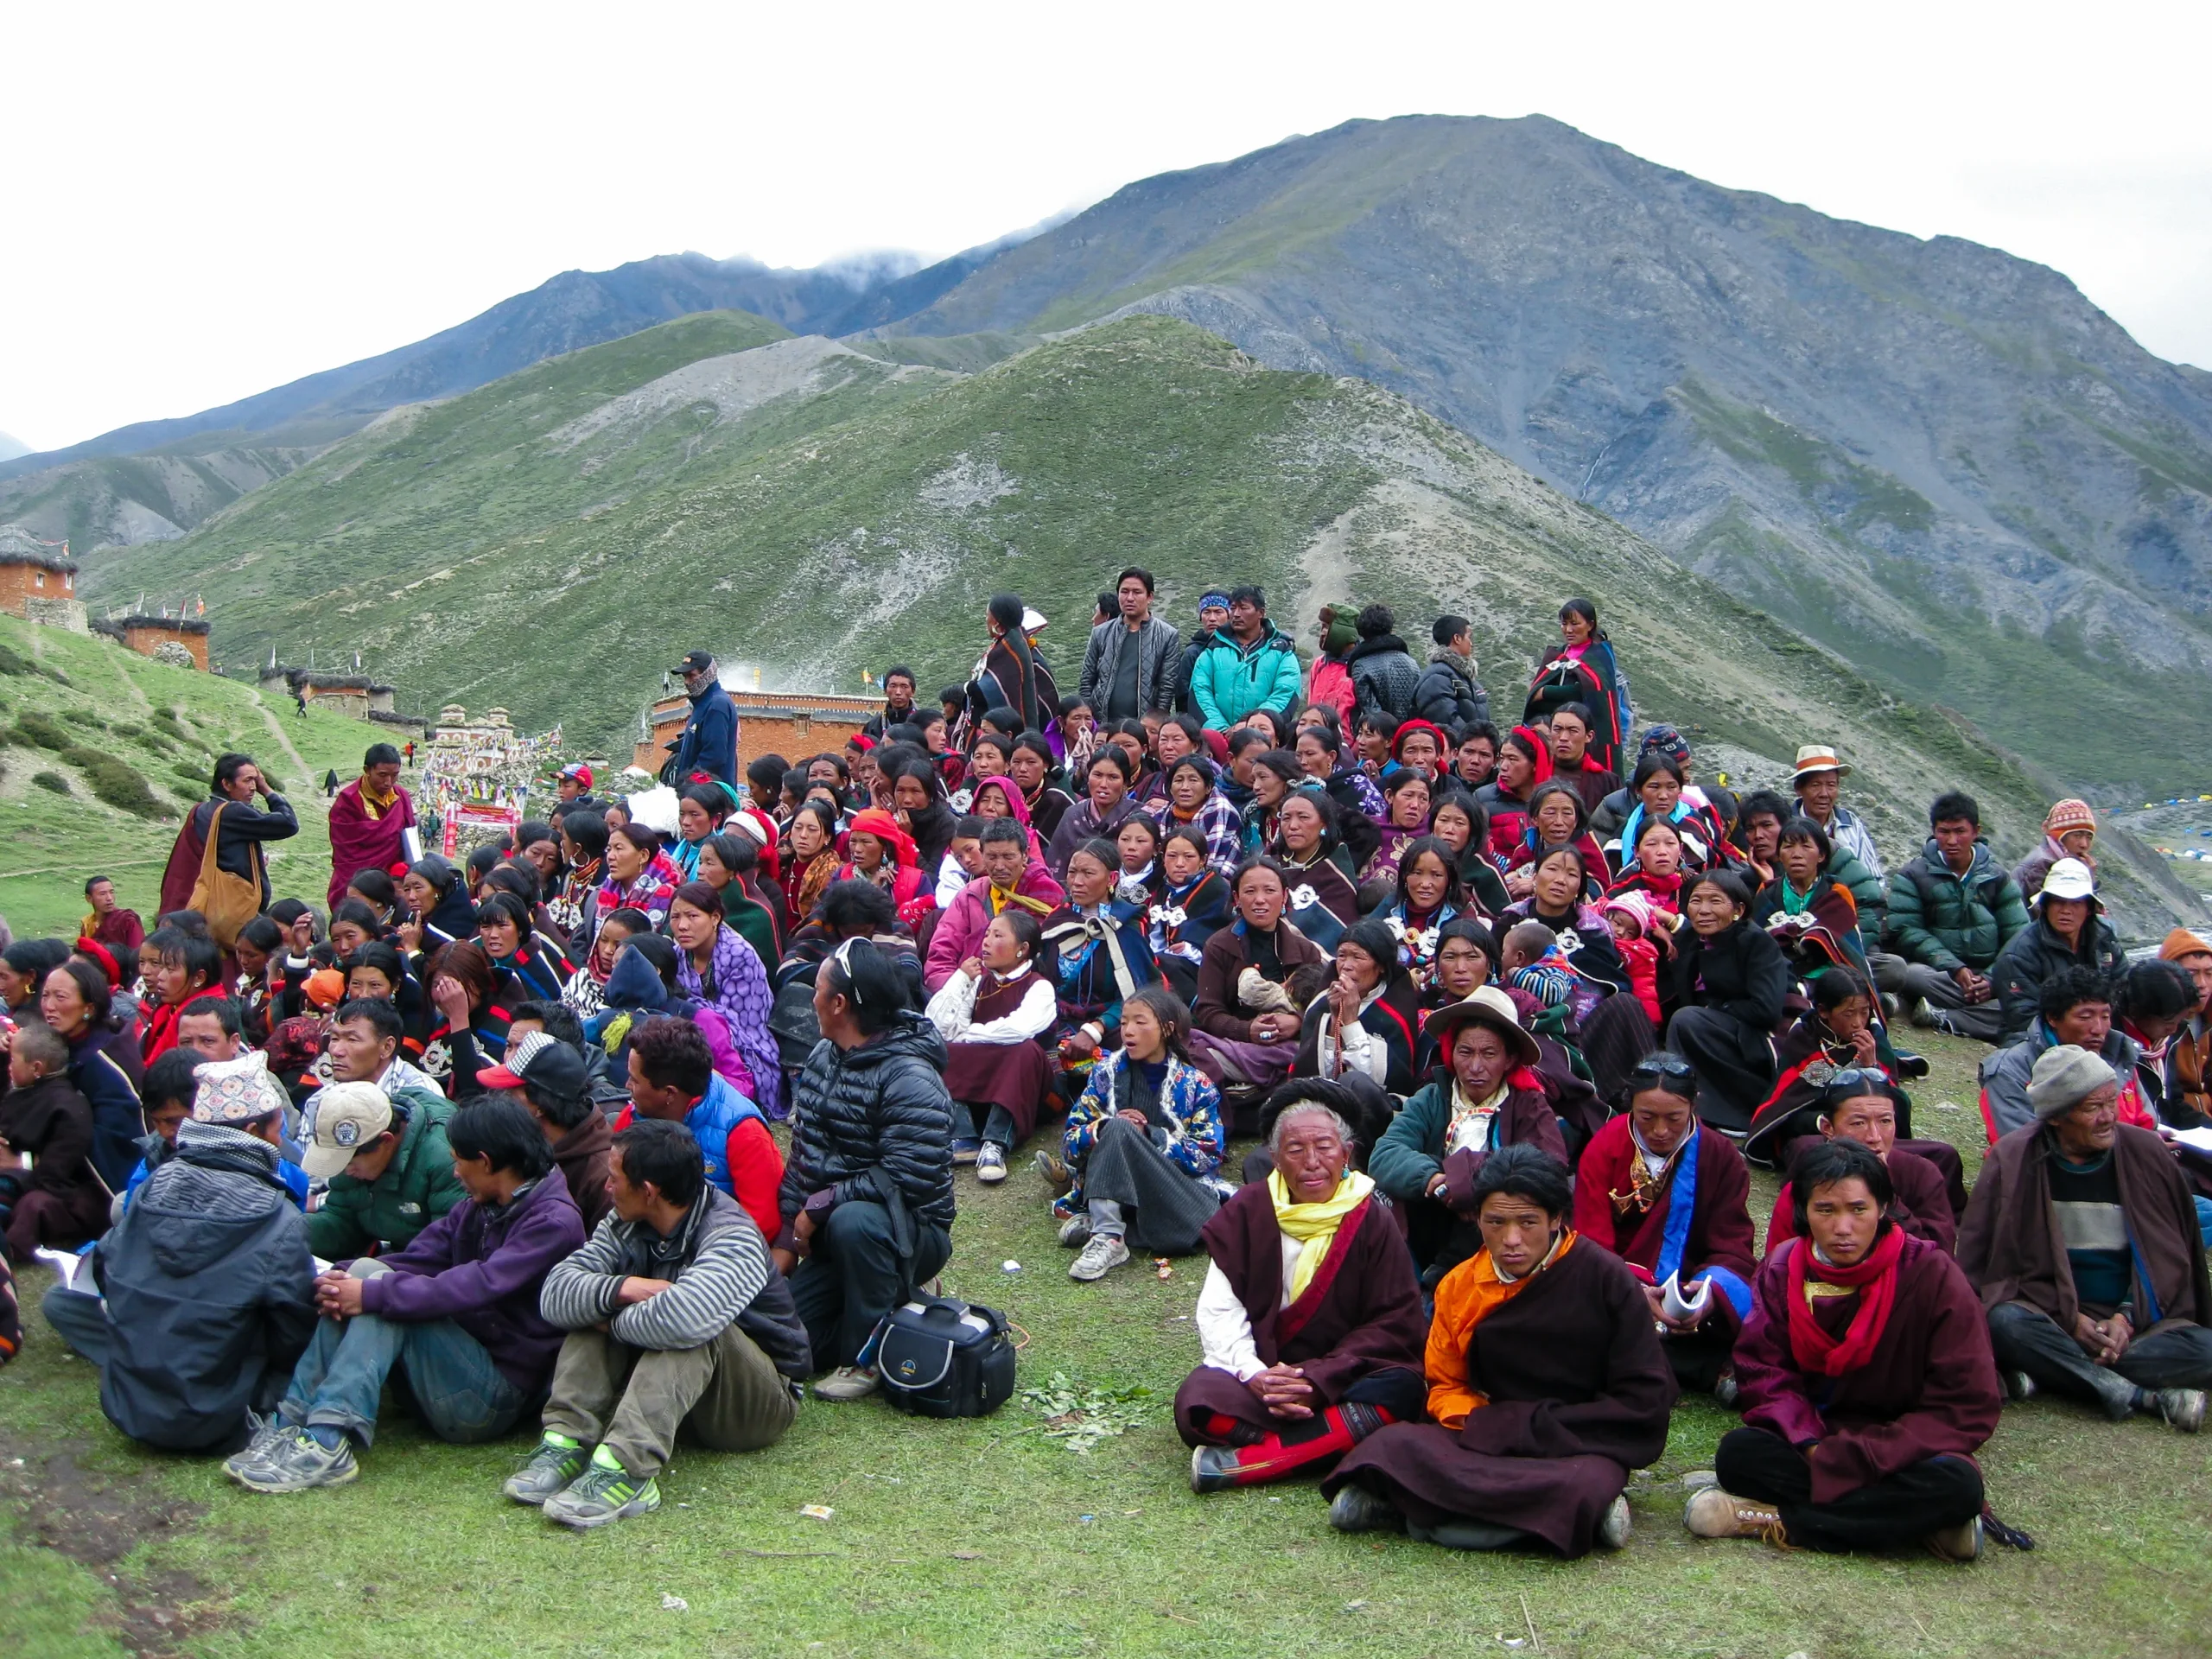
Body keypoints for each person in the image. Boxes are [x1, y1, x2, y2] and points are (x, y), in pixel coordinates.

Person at [223, 1096, 587, 1493]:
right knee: (366, 1273)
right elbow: (420, 1256)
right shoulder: (483, 1205)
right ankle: (292, 1424)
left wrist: (370, 1295)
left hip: (493, 1398)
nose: (455, 1171)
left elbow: (479, 1285)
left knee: (381, 1296)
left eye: (459, 1160)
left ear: (484, 1162)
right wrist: (340, 1280)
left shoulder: (554, 1222)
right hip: (456, 1370)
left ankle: (328, 1438)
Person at [1324, 1146, 1670, 1555]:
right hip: (1484, 1436)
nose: (1511, 1241)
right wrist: (1485, 1423)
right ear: (1478, 1221)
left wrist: (1525, 1426)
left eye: (1528, 1223)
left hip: (1571, 1439)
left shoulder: (1607, 1278)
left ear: (1557, 1218)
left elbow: (1642, 1401)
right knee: (1392, 1445)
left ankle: (1413, 1510)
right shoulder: (1460, 1286)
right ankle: (1543, 1520)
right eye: (1495, 1222)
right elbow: (1443, 1384)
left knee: (1583, 1480)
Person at [1692, 1139, 1999, 1559]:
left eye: (1858, 1209)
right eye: (1825, 1210)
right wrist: (1811, 1442)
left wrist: (1870, 1453)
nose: (1843, 1227)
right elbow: (1765, 1373)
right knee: (1739, 1455)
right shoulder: (1783, 1269)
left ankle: (1778, 1520)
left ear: (1883, 1208)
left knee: (1957, 1487)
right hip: (1816, 1437)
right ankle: (1919, 1529)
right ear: (1803, 1210)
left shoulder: (1932, 1274)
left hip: (1904, 1445)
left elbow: (1965, 1402)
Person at [511, 1119, 810, 1529]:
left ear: (648, 1191)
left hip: (756, 1403)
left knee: (695, 1328)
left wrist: (612, 1323)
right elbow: (556, 1294)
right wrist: (623, 1288)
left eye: (615, 1179)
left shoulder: (731, 1236)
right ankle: (565, 1441)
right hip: (677, 1398)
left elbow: (689, 1319)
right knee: (597, 1301)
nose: (606, 1188)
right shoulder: (623, 1223)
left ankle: (626, 1468)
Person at [1959, 1045, 2211, 1432]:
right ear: (2057, 1117)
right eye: (2093, 1108)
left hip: (2139, 1324)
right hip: (2051, 1319)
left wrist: (2124, 1320)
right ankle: (2140, 1396)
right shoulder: (2013, 1160)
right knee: (2003, 1323)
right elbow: (1994, 1268)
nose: (2108, 1117)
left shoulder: (2147, 1154)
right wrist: (2070, 1318)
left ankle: (2050, 1372)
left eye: (2112, 1102)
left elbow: (2170, 1258)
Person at [1179, 1100, 1427, 1491]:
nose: (1312, 1161)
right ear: (1276, 1158)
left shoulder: (1371, 1216)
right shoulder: (1249, 1210)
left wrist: (1317, 1379)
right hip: (1268, 1378)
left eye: (1325, 1147)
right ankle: (1330, 1442)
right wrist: (1256, 1374)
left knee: (1401, 1390)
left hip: (1346, 1375)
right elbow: (1220, 1310)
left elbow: (1394, 1322)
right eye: (1296, 1149)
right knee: (1199, 1399)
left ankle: (1248, 1463)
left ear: (1346, 1153)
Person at [76, 1051, 316, 1452]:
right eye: (278, 1128)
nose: (281, 1138)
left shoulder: (155, 1185)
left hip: (127, 1405)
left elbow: (106, 1267)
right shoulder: (278, 1215)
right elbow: (294, 1333)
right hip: (220, 1417)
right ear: (255, 1131)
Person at [777, 938, 956, 1401]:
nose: (809, 996)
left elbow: (905, 1175)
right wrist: (785, 1236)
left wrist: (820, 1206)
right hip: (834, 1232)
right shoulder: (823, 1054)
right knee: (794, 1345)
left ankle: (867, 1357)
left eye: (816, 988)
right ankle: (901, 1299)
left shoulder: (909, 1077)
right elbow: (805, 1153)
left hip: (904, 1229)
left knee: (856, 1220)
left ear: (839, 1003)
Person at [1575, 1055, 1757, 1395]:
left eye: (1674, 1118)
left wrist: (1706, 1297)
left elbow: (1732, 1243)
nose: (1660, 1131)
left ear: (1693, 1105)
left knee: (1749, 1305)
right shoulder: (1606, 1147)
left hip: (1692, 1287)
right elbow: (1591, 1243)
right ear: (1631, 1107)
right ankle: (1708, 1367)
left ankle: (1654, 1360)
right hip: (1621, 1282)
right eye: (1647, 1117)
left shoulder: (1719, 1154)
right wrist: (1639, 1292)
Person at [1370, 988, 1568, 1280]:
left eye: (1489, 1053)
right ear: (1451, 1052)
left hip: (1503, 1238)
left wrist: (1469, 1185)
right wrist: (1437, 1180)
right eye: (1465, 1052)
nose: (1475, 1067)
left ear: (1509, 1059)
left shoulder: (1529, 1105)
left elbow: (1549, 1165)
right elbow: (1386, 1154)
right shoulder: (1433, 1098)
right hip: (1431, 1228)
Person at [1058, 985, 1225, 1281]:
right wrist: (1104, 1128)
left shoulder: (1197, 1084)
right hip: (1115, 1182)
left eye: (1139, 1022)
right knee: (1116, 1127)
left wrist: (1149, 1135)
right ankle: (1108, 1236)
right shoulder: (1104, 1073)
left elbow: (1207, 1157)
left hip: (1172, 1192)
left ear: (1166, 1028)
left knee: (1124, 1130)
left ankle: (1102, 1221)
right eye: (1123, 1023)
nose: (1128, 1031)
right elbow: (1070, 1143)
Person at [1875, 791, 2028, 1041]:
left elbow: (2019, 935)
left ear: (1976, 831)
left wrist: (1991, 979)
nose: (1952, 840)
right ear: (1934, 831)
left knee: (2028, 1000)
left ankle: (1945, 1016)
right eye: (1944, 832)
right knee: (1913, 976)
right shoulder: (1913, 875)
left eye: (1960, 831)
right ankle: (1980, 1016)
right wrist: (1955, 968)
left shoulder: (1998, 878)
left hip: (1991, 978)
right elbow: (1907, 930)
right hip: (1942, 976)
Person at [614, 1015, 784, 1238]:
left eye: (635, 1081)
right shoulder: (632, 1118)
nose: (627, 1086)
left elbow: (761, 1225)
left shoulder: (743, 1133)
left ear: (669, 1093)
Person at [1761, 1071, 1959, 1255]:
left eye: (1885, 1121)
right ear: (1827, 1128)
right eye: (1858, 1123)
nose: (1874, 1136)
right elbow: (1779, 1260)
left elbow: (1938, 1257)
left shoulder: (1921, 1174)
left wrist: (1886, 1194)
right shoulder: (1808, 1179)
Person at [925, 909, 1056, 1183]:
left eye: (997, 935)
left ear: (1022, 949)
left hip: (1023, 1088)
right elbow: (937, 1026)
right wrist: (960, 979)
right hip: (979, 1079)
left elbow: (1019, 1028)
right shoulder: (978, 982)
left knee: (1025, 1050)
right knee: (939, 1049)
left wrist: (967, 1034)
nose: (986, 942)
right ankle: (963, 1135)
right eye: (986, 934)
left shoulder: (1039, 987)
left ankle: (995, 1144)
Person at [1189, 859, 1328, 1111]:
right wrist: (1247, 1030)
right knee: (1196, 1054)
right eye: (1250, 891)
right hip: (1234, 1047)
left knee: (1319, 1055)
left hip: (1288, 1047)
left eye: (1270, 890)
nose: (1260, 899)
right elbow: (1208, 1011)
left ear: (1285, 896)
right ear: (1236, 898)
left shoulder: (1306, 951)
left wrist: (1297, 1022)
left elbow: (1320, 1009)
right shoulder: (1219, 946)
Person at [1662, 870, 1789, 1133]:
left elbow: (1766, 1008)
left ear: (1738, 910)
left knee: (1686, 1019)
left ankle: (1732, 1114)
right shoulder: (1691, 940)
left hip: (1756, 1038)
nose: (1703, 910)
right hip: (1714, 1028)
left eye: (1715, 901)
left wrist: (1716, 1010)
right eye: (1696, 901)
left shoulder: (1755, 942)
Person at [1979, 964, 2151, 1143]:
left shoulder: (2119, 1055)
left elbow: (2148, 1123)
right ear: (2053, 1018)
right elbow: (2017, 1148)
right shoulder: (2011, 1071)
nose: (2098, 1029)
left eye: (2105, 1017)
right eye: (2085, 1017)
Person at [302, 1078, 464, 1261]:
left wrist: (374, 1280)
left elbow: (446, 1250)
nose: (346, 1171)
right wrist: (291, 1232)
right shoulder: (357, 1158)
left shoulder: (444, 1161)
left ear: (386, 1141)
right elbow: (343, 1220)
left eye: (349, 1162)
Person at [666, 881, 782, 1118]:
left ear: (715, 918)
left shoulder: (740, 956)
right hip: (694, 1046)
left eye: (692, 916)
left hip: (745, 1053)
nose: (682, 926)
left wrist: (690, 1008)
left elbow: (739, 1027)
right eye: (675, 917)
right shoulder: (677, 956)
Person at [157, 753, 300, 938]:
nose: (253, 787)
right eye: (248, 780)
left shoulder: (201, 810)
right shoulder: (233, 812)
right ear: (226, 784)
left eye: (256, 781)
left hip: (202, 906)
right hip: (229, 914)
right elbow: (289, 824)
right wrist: (267, 790)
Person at [484, 1028, 614, 1230]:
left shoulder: (602, 1176)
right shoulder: (521, 1144)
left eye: (510, 1091)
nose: (502, 1099)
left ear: (540, 1107)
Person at [0, 1023, 106, 1260]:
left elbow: (57, 1170)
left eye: (12, 1060)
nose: (8, 1067)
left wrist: (20, 1163)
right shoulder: (25, 1087)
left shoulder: (68, 1107)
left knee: (30, 1205)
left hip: (30, 1184)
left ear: (36, 1067)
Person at [923, 817, 1064, 994]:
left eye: (1008, 857)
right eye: (991, 857)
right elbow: (942, 952)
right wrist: (952, 993)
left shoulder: (1045, 893)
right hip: (963, 991)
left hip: (1025, 993)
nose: (999, 866)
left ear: (1025, 854)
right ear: (982, 854)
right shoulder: (971, 894)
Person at [1989, 857, 2125, 1041]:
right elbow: (2023, 1017)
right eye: (2059, 902)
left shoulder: (2105, 939)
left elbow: (2123, 989)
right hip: (2040, 1039)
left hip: (2099, 1034)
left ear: (2089, 909)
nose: (2066, 911)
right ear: (2046, 906)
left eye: (2076, 903)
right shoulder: (2019, 953)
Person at [41, 958, 145, 1192]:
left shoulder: (105, 1060)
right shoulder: (63, 1045)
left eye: (60, 997)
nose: (48, 1005)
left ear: (89, 1008)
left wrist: (37, 1159)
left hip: (96, 1187)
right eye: (45, 995)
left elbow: (118, 1137)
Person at [1292, 920, 1421, 1096]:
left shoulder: (1397, 1012)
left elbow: (1389, 1085)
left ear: (1381, 965)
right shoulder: (1321, 1005)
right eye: (1342, 956)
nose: (1346, 966)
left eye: (1358, 957)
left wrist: (1351, 1021)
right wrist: (1334, 1022)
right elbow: (1308, 1074)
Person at [1524, 599, 1631, 779]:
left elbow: (1587, 689)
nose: (1568, 630)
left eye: (1575, 624)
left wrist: (1544, 693)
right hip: (1554, 734)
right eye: (1564, 624)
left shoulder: (1599, 656)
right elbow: (1537, 690)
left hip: (1584, 738)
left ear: (1590, 625)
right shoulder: (1558, 654)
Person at [1188, 585, 1301, 732]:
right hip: (1219, 740)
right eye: (1233, 608)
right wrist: (1221, 730)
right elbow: (1199, 691)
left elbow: (1286, 693)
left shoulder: (1281, 651)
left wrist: (1252, 728)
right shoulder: (1212, 650)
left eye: (1243, 608)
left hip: (1265, 741)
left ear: (1261, 613)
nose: (1236, 614)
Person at [1077, 566, 1180, 721]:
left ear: (1150, 597)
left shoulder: (1167, 635)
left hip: (1142, 727)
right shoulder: (1101, 632)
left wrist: (1155, 725)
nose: (1129, 598)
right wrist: (1088, 720)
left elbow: (1166, 688)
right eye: (1124, 592)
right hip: (1102, 724)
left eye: (1137, 592)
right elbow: (1087, 680)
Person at [324, 743, 416, 911]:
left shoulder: (400, 796)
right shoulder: (348, 802)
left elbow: (409, 841)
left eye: (394, 775)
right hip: (357, 883)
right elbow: (346, 856)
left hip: (394, 882)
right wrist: (368, 885)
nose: (388, 782)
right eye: (382, 775)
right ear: (367, 770)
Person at [1045, 747, 1147, 881]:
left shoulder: (1139, 818)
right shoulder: (1073, 815)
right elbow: (1057, 871)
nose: (1103, 784)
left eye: (1113, 777)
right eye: (1097, 775)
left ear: (1126, 783)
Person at [967, 594, 1060, 740]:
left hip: (1011, 733)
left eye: (988, 615)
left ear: (997, 620)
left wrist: (971, 687)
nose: (986, 620)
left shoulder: (1011, 649)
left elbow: (996, 689)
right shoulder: (1012, 641)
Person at [1788, 744, 1884, 882]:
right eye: (1815, 785)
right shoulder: (1785, 826)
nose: (1824, 794)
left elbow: (1873, 878)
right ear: (1798, 788)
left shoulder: (1851, 824)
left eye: (1831, 785)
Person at [136, 924, 223, 1065]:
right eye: (162, 967)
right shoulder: (169, 1008)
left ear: (199, 978)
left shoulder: (209, 1017)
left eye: (170, 969)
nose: (161, 976)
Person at [666, 651, 739, 789]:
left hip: (710, 798)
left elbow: (714, 757)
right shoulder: (702, 704)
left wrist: (687, 786)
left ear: (708, 674)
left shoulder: (717, 705)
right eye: (685, 677)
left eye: (692, 676)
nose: (687, 682)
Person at [1341, 603, 1419, 731]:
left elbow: (1370, 711)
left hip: (1378, 738)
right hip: (1407, 736)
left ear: (1362, 631)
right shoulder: (1411, 662)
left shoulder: (1361, 665)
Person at [1412, 613, 1490, 733]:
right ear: (1457, 638)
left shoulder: (1466, 678)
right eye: (1469, 637)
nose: (1471, 643)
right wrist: (1473, 743)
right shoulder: (1437, 679)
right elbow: (1447, 725)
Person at [2013, 798, 2099, 905]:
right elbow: (2051, 916)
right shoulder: (2044, 864)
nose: (2084, 844)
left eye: (2089, 837)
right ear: (2059, 836)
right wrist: (2087, 879)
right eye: (2077, 835)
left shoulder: (2056, 860)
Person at [80, 875, 145, 952]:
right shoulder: (88, 924)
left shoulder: (127, 920)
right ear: (89, 898)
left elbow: (137, 953)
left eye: (111, 892)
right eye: (103, 894)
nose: (109, 898)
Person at [862, 665, 919, 741]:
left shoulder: (922, 723)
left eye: (904, 686)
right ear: (885, 691)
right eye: (893, 686)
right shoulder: (873, 725)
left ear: (913, 691)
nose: (898, 692)